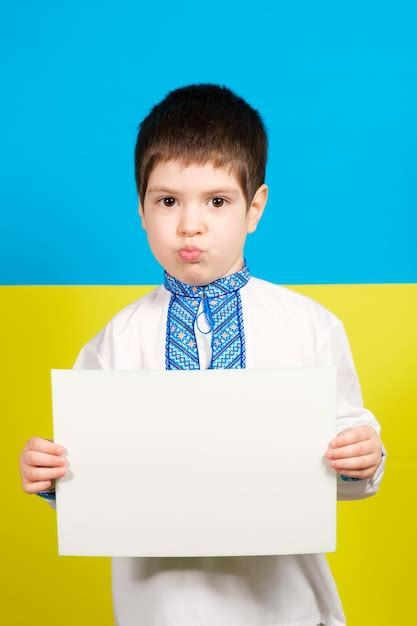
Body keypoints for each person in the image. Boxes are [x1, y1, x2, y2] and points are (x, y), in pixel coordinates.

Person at [19, 83, 387, 626]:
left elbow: (352, 462)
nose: (190, 224)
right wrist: (51, 476)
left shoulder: (308, 325)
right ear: (141, 210)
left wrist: (363, 458)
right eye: (167, 201)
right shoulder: (116, 340)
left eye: (217, 201)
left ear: (254, 207)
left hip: (285, 605)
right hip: (158, 607)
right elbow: (87, 472)